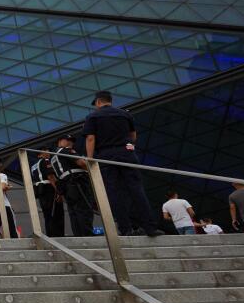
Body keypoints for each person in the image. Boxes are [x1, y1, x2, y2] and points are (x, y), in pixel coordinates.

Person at [82, 91, 163, 237]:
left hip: (106, 156)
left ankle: (125, 229)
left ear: (98, 102)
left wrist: (90, 159)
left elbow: (90, 139)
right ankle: (150, 227)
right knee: (137, 190)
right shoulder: (124, 114)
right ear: (110, 101)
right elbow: (133, 136)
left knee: (114, 193)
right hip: (127, 154)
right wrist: (127, 146)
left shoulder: (92, 116)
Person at [51, 135, 94, 237]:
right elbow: (82, 163)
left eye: (72, 141)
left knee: (74, 212)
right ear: (60, 141)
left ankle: (79, 236)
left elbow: (55, 177)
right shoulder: (66, 151)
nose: (71, 143)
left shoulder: (53, 157)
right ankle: (87, 235)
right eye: (68, 140)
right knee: (84, 208)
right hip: (77, 181)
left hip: (66, 185)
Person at [31, 148, 64, 237]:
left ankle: (50, 235)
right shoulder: (45, 161)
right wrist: (58, 191)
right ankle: (57, 236)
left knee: (47, 215)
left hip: (41, 192)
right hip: (49, 189)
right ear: (39, 154)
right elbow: (51, 177)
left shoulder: (33, 166)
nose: (48, 152)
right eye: (45, 150)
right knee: (56, 213)